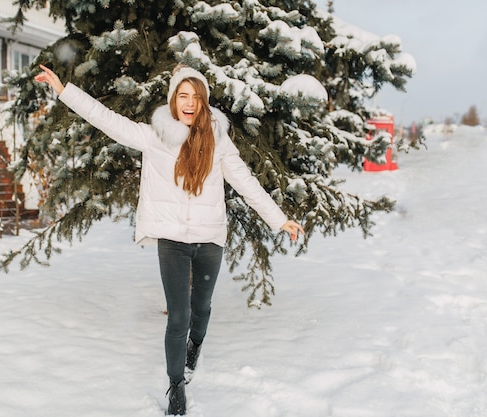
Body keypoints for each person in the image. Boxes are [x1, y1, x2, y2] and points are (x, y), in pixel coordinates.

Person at [34, 63, 304, 415]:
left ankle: (196, 344)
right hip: (172, 240)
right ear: (173, 100)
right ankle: (176, 385)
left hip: (209, 238)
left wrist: (279, 219)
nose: (189, 103)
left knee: (201, 308)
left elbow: (247, 182)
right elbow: (106, 119)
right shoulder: (153, 136)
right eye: (183, 96)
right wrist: (62, 89)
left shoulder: (218, 142)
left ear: (204, 103)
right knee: (178, 316)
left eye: (196, 97)